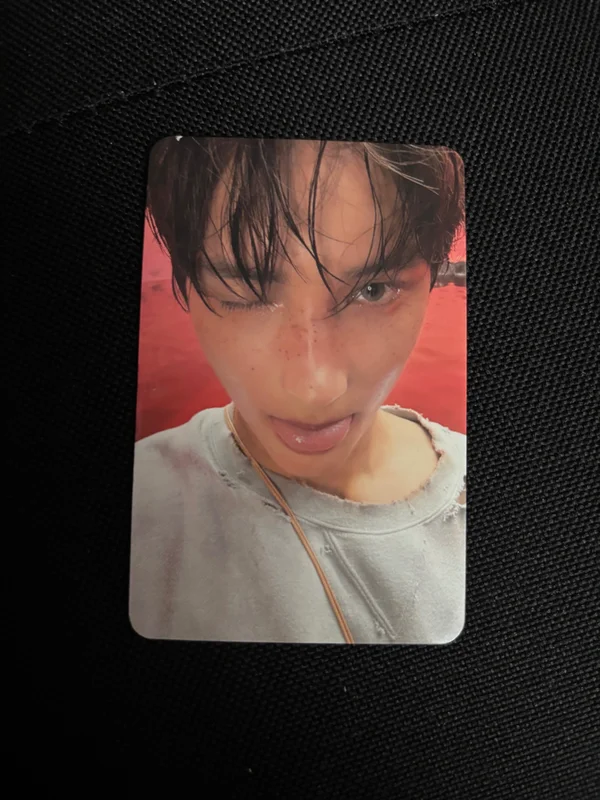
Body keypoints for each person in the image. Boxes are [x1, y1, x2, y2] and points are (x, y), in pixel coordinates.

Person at [130, 137, 466, 645]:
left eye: (373, 290)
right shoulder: (144, 508)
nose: (314, 387)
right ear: (189, 281)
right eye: (244, 290)